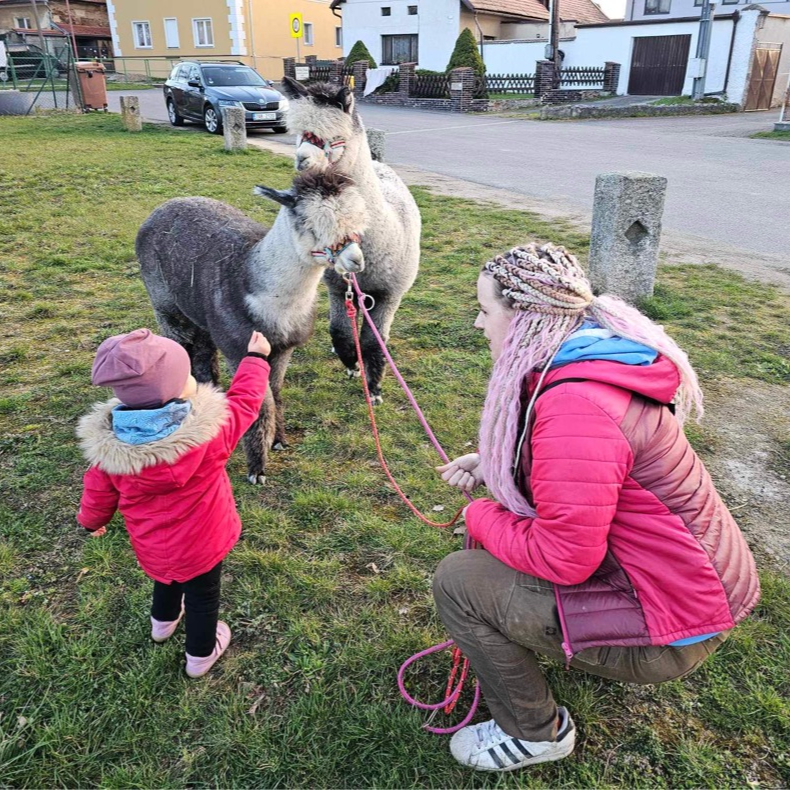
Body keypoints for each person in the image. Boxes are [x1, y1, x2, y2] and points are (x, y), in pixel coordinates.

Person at [433, 243, 760, 772]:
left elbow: (564, 557)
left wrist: (480, 514)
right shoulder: (592, 362)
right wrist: (494, 465)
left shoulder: (575, 406)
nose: (477, 323)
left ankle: (535, 734)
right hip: (691, 590)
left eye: (485, 310)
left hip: (672, 621)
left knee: (459, 581)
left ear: (525, 318)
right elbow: (585, 476)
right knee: (492, 558)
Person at [76, 328, 271, 677]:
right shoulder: (211, 434)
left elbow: (97, 493)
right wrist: (256, 359)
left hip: (152, 544)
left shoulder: (109, 454)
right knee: (203, 596)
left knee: (166, 579)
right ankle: (200, 655)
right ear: (178, 390)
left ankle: (162, 625)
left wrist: (91, 522)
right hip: (204, 541)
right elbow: (244, 401)